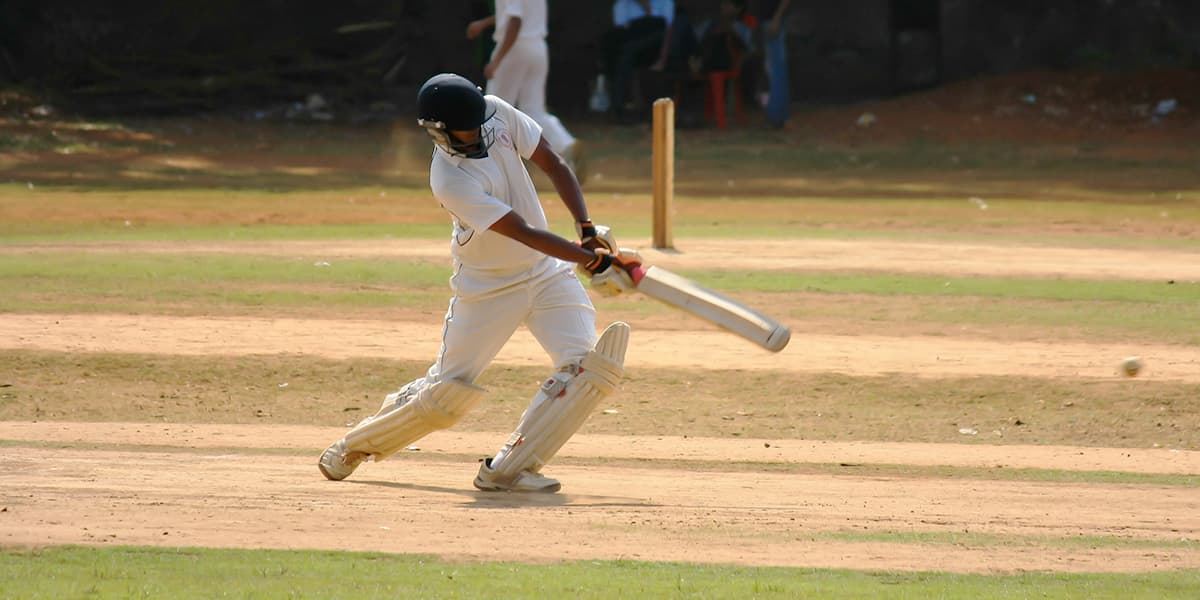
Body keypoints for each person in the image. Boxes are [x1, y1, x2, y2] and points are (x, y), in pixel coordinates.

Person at [317, 73, 641, 493]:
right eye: (465, 131)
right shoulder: (449, 178)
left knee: (587, 371)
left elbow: (554, 163)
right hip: (487, 289)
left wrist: (586, 229)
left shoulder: (497, 112)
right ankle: (353, 446)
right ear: (439, 132)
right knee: (445, 396)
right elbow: (521, 230)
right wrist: (593, 261)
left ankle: (510, 467)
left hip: (545, 272)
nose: (477, 135)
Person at [465, 0, 585, 180]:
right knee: (533, 110)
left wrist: (497, 60)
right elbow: (514, 12)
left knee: (493, 110)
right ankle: (565, 143)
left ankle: (488, 168)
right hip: (537, 47)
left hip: (514, 48)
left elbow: (515, 20)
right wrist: (484, 23)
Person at [757, 0, 792, 128]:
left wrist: (776, 19)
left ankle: (777, 116)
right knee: (772, 69)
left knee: (776, 70)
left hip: (774, 21)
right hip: (769, 21)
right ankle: (779, 114)